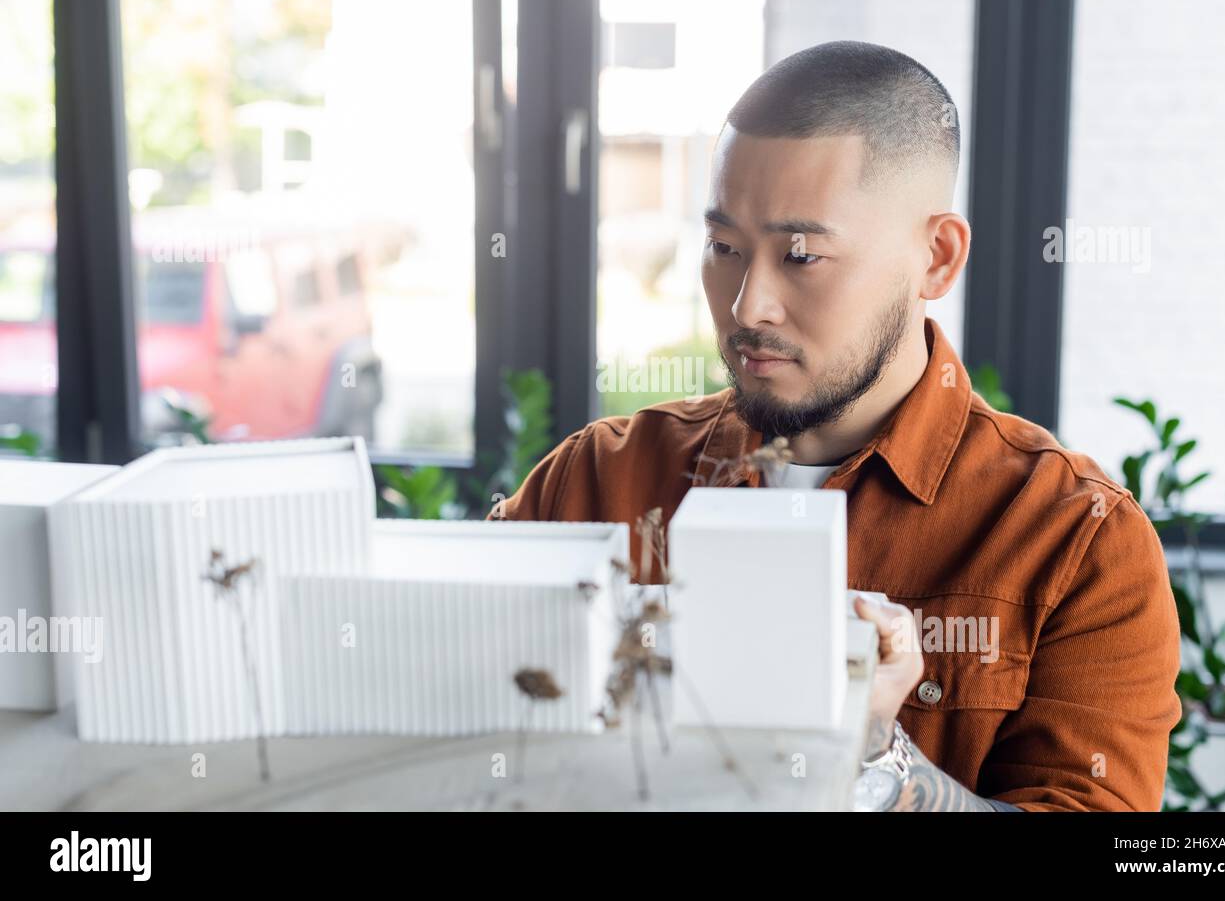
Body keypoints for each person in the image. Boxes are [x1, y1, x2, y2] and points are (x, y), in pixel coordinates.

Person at [490, 40, 1182, 811]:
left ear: (937, 258)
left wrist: (875, 755)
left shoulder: (1075, 540)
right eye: (723, 247)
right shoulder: (594, 480)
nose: (749, 305)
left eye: (802, 255)